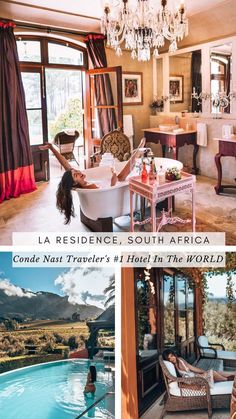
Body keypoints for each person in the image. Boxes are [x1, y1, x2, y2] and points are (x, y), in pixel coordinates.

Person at [39, 138, 146, 224]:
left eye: (75, 170)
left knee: (123, 175)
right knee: (122, 176)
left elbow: (65, 163)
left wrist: (52, 148)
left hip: (110, 187)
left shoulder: (81, 181)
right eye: (76, 174)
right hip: (111, 191)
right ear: (75, 182)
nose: (78, 172)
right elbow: (109, 192)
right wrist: (114, 180)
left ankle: (139, 153)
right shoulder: (88, 188)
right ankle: (139, 150)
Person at [163, 349, 235, 385]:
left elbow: (192, 368)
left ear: (174, 355)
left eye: (172, 356)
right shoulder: (173, 367)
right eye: (169, 359)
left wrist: (203, 371)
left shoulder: (180, 360)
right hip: (193, 381)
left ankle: (234, 374)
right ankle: (228, 380)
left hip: (195, 376)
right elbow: (175, 378)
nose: (172, 359)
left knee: (216, 372)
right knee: (213, 372)